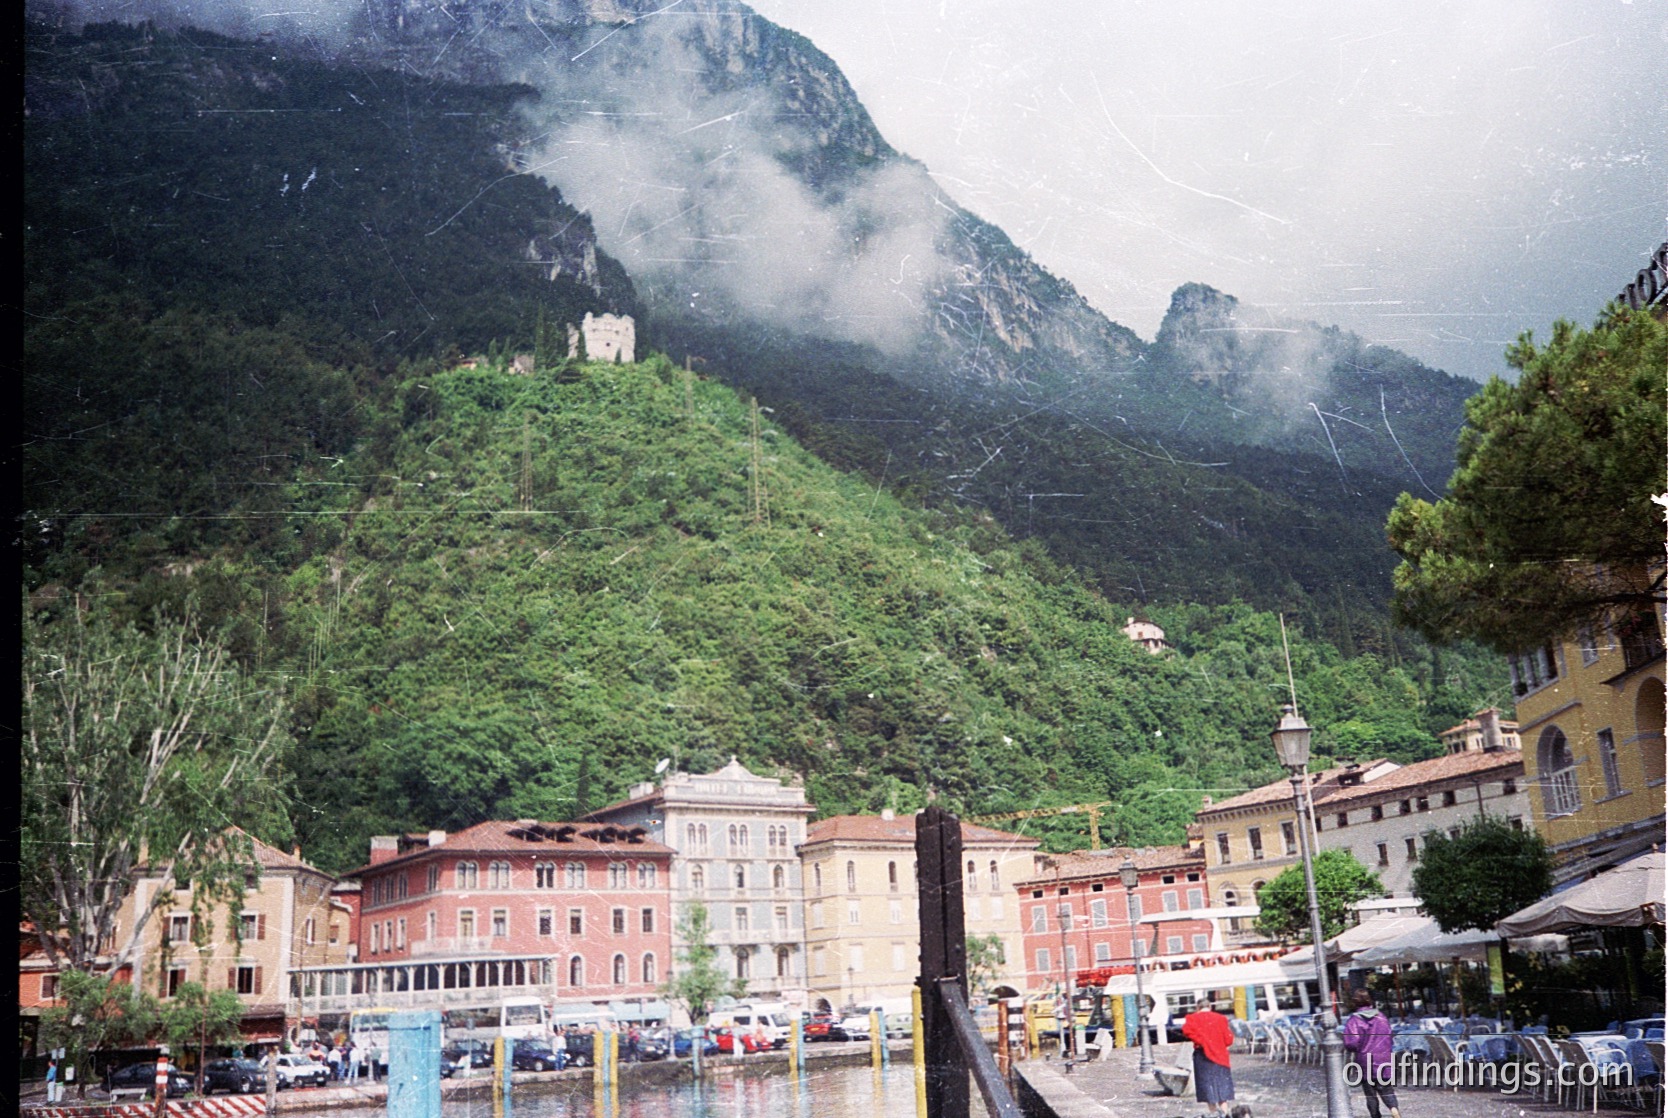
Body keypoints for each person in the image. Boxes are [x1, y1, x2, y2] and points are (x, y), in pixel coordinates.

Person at [1343, 989, 1402, 1118]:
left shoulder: (1354, 1020)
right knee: (1386, 1088)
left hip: (1365, 1059)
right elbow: (1389, 1035)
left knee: (1370, 1093)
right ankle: (1393, 1108)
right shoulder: (1381, 1017)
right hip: (1383, 1058)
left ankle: (1375, 1115)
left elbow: (1351, 1042)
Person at [1182, 1000, 1243, 1118]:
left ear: (1197, 1007)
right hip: (1220, 1057)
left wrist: (1202, 1041)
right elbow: (1229, 1040)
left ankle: (1213, 1114)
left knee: (1208, 1088)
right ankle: (1225, 1113)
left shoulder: (1192, 1019)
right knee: (1222, 1087)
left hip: (1202, 1056)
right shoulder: (1221, 1018)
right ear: (1210, 1007)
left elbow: (1187, 1031)